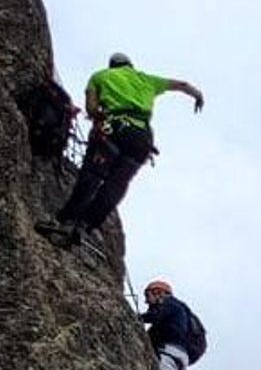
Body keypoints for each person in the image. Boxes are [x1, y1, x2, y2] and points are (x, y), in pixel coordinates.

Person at [36, 53, 204, 246]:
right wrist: (197, 94)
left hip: (113, 128)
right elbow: (182, 85)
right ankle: (85, 226)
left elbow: (91, 108)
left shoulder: (100, 76)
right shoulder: (146, 79)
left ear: (112, 65)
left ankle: (64, 221)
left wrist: (98, 116)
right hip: (142, 137)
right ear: (130, 65)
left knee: (92, 175)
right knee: (117, 184)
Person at [140, 279, 194, 370]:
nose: (147, 302)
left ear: (158, 292)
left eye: (148, 296)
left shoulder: (170, 303)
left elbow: (154, 316)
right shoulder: (169, 317)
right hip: (173, 354)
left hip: (169, 353)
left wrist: (133, 318)